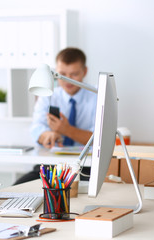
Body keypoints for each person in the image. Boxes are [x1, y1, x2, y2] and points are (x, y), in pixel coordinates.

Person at [14, 47, 97, 185]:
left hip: (85, 168)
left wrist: (67, 130)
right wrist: (46, 135)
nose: (68, 80)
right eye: (62, 74)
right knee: (17, 188)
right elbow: (36, 127)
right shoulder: (48, 95)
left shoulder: (97, 96)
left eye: (74, 74)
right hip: (51, 166)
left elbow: (100, 139)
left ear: (85, 71)